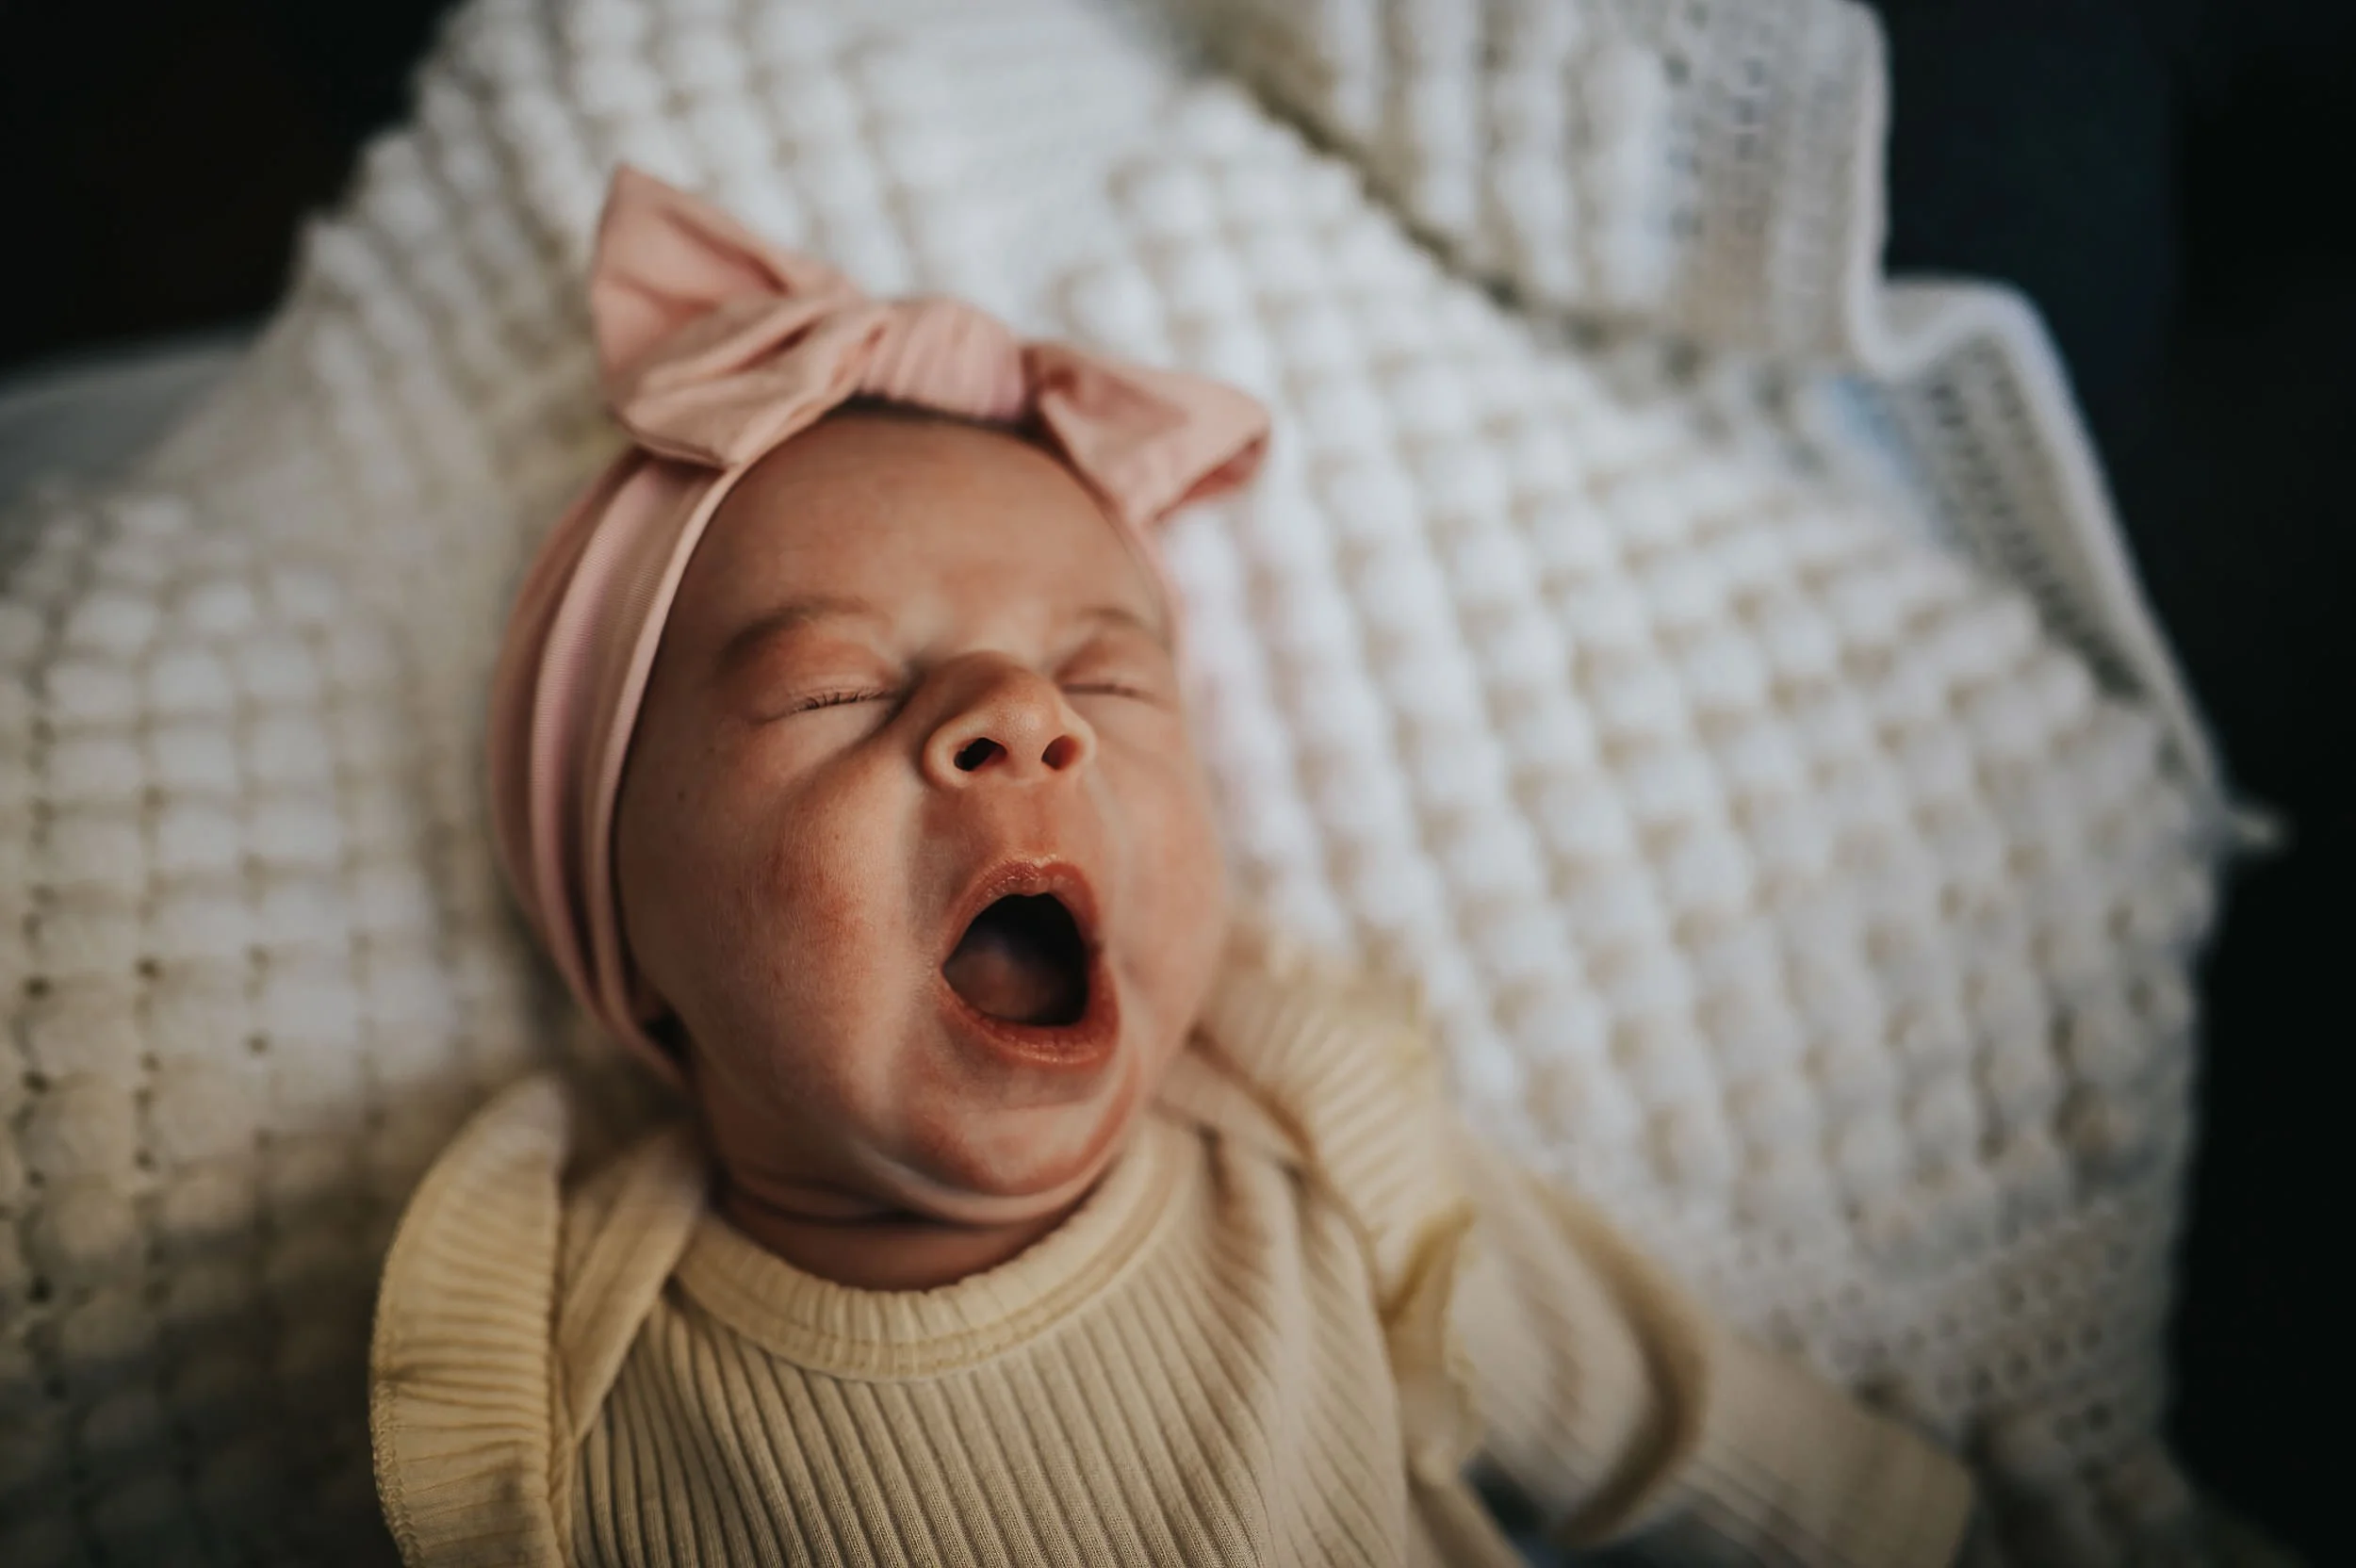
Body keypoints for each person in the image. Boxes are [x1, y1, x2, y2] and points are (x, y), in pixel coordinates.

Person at [367, 167, 1973, 1568]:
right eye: (835, 689)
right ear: (617, 921)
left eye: (1109, 683)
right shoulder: (542, 1378)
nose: (1022, 716)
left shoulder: (1312, 1155)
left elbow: (1698, 1438)